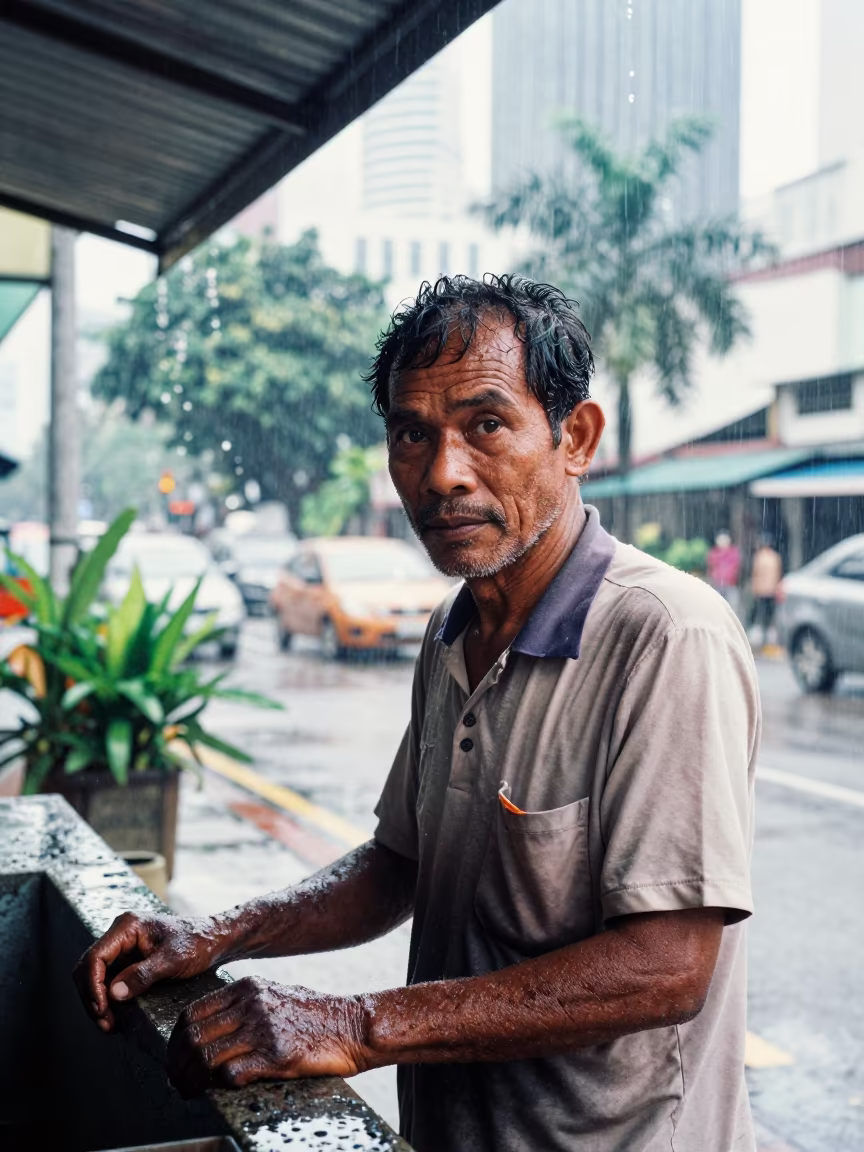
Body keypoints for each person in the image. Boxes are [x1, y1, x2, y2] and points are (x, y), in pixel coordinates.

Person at [74, 276, 760, 1152]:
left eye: (486, 424)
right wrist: (212, 936)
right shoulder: (454, 625)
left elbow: (664, 968)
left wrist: (355, 1023)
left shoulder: (666, 634)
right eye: (412, 433)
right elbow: (401, 865)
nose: (442, 474)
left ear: (574, 437)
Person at [750, 536, 783, 645]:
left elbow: (756, 574)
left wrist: (755, 587)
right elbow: (778, 574)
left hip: (762, 590)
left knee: (761, 614)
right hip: (770, 590)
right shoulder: (775, 557)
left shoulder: (759, 557)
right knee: (769, 614)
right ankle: (768, 638)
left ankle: (763, 638)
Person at [707, 530, 742, 615]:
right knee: (717, 608)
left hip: (730, 584)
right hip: (718, 584)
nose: (723, 542)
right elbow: (711, 567)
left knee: (732, 608)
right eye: (721, 540)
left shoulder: (733, 552)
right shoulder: (714, 553)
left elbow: (736, 567)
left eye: (725, 539)